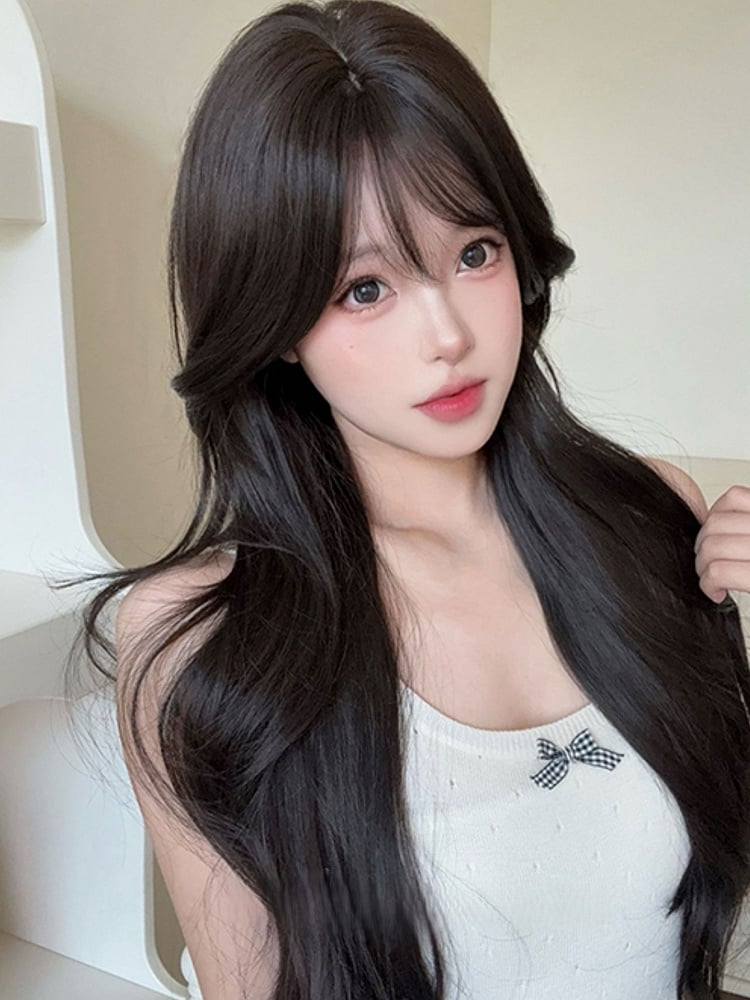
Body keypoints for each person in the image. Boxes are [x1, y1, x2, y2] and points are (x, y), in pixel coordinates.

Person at [57, 1, 750, 998]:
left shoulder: (651, 516)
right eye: (365, 289)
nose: (449, 336)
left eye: (474, 252)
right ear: (275, 321)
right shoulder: (202, 639)